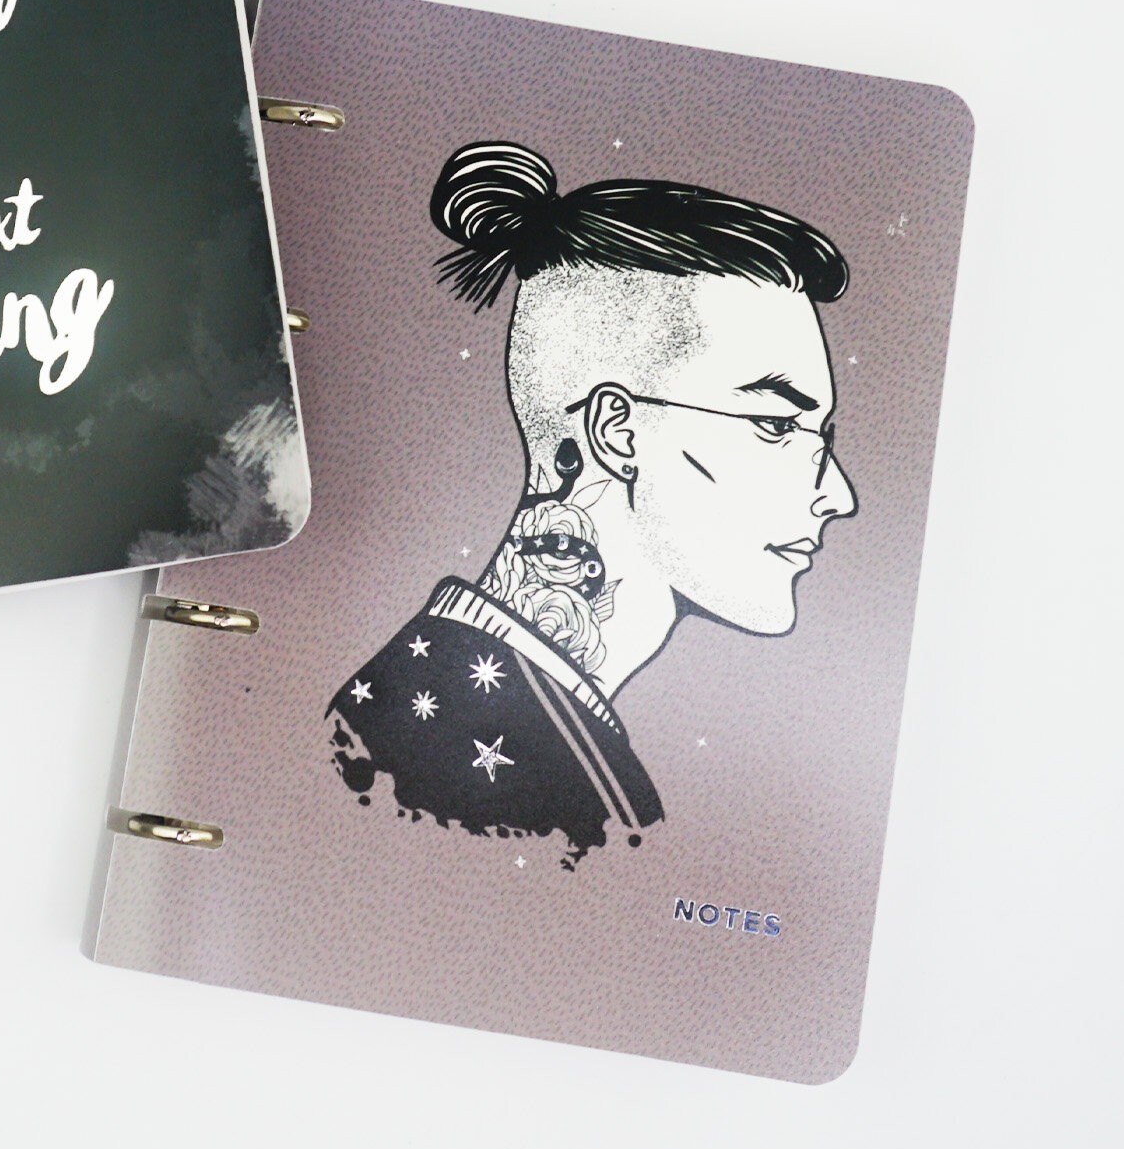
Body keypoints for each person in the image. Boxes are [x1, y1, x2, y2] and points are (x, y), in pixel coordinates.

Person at [328, 141, 858, 861]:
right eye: (775, 425)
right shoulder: (505, 787)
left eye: (821, 437)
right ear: (618, 431)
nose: (837, 495)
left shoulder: (471, 714)